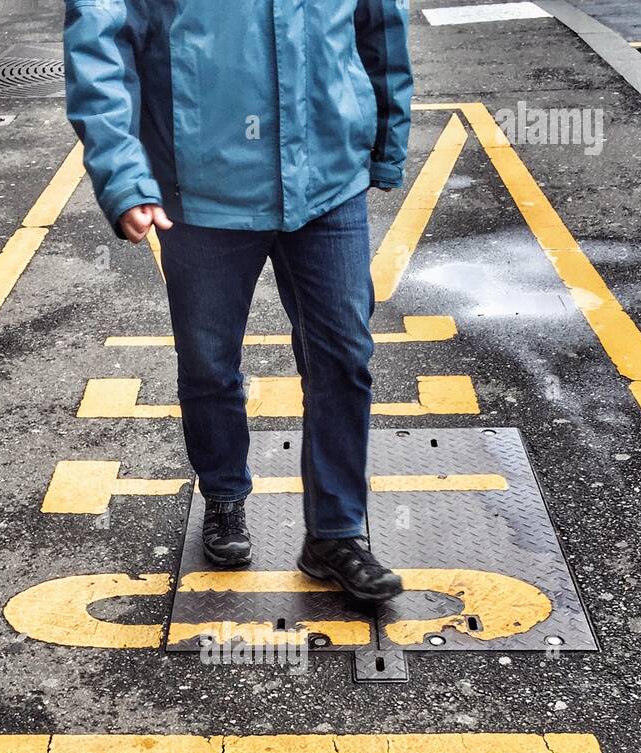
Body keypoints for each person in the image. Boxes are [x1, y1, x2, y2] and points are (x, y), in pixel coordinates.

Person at [64, 0, 413, 602]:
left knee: (344, 357)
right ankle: (224, 493)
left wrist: (384, 137)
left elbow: (379, 22)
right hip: (203, 188)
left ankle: (336, 532)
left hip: (328, 179)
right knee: (208, 361)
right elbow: (101, 40)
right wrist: (124, 176)